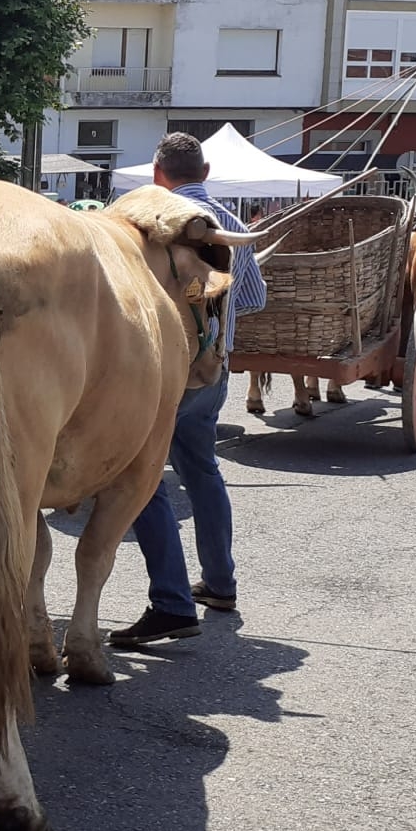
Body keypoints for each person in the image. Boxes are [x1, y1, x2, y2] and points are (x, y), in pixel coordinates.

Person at [110, 133, 268, 648]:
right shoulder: (232, 223)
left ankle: (172, 603)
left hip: (159, 377)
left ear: (158, 174)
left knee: (143, 480)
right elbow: (254, 298)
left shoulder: (142, 222)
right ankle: (219, 583)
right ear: (205, 171)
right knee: (202, 469)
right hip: (212, 372)